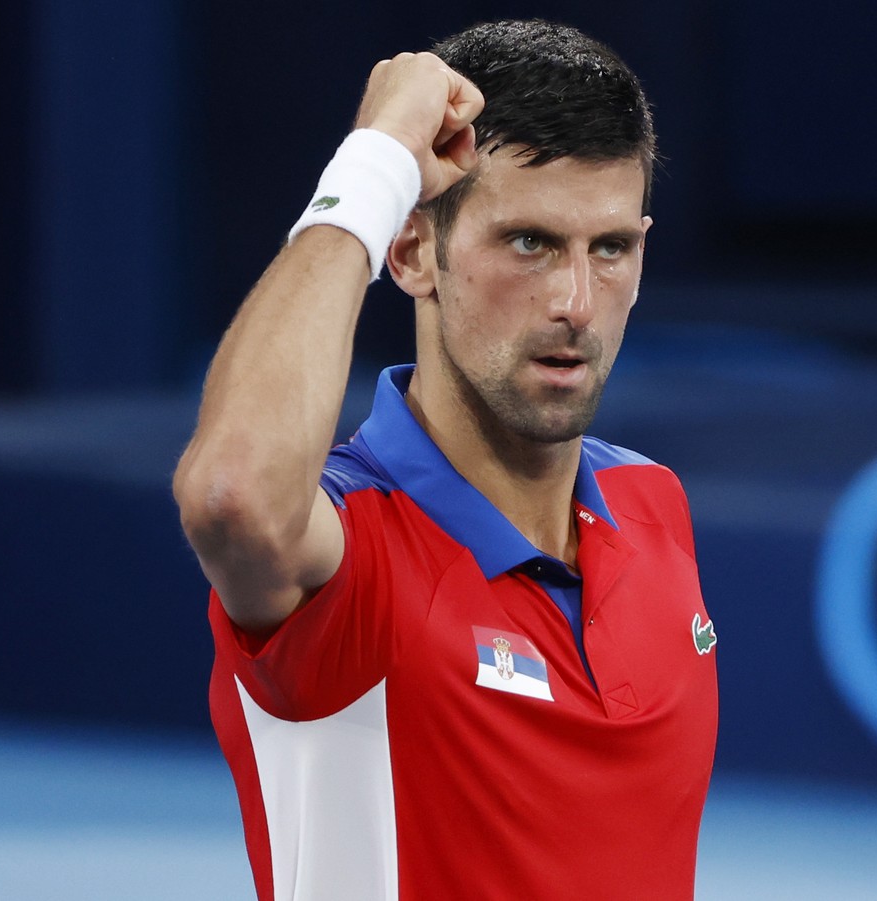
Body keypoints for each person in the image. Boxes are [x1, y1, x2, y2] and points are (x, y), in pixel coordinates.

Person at [173, 19, 718, 901]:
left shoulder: (651, 501)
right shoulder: (353, 551)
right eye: (529, 242)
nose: (576, 303)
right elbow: (233, 493)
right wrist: (375, 163)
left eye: (609, 248)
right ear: (412, 248)